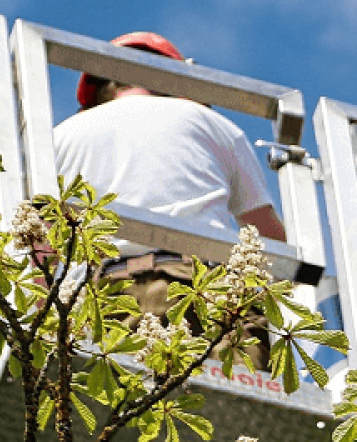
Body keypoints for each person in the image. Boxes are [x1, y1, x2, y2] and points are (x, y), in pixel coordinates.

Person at [53, 31, 285, 360]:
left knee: (114, 405)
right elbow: (268, 239)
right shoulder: (211, 124)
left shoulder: (62, 136)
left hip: (106, 298)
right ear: (177, 79)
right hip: (209, 291)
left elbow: (38, 248)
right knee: (231, 401)